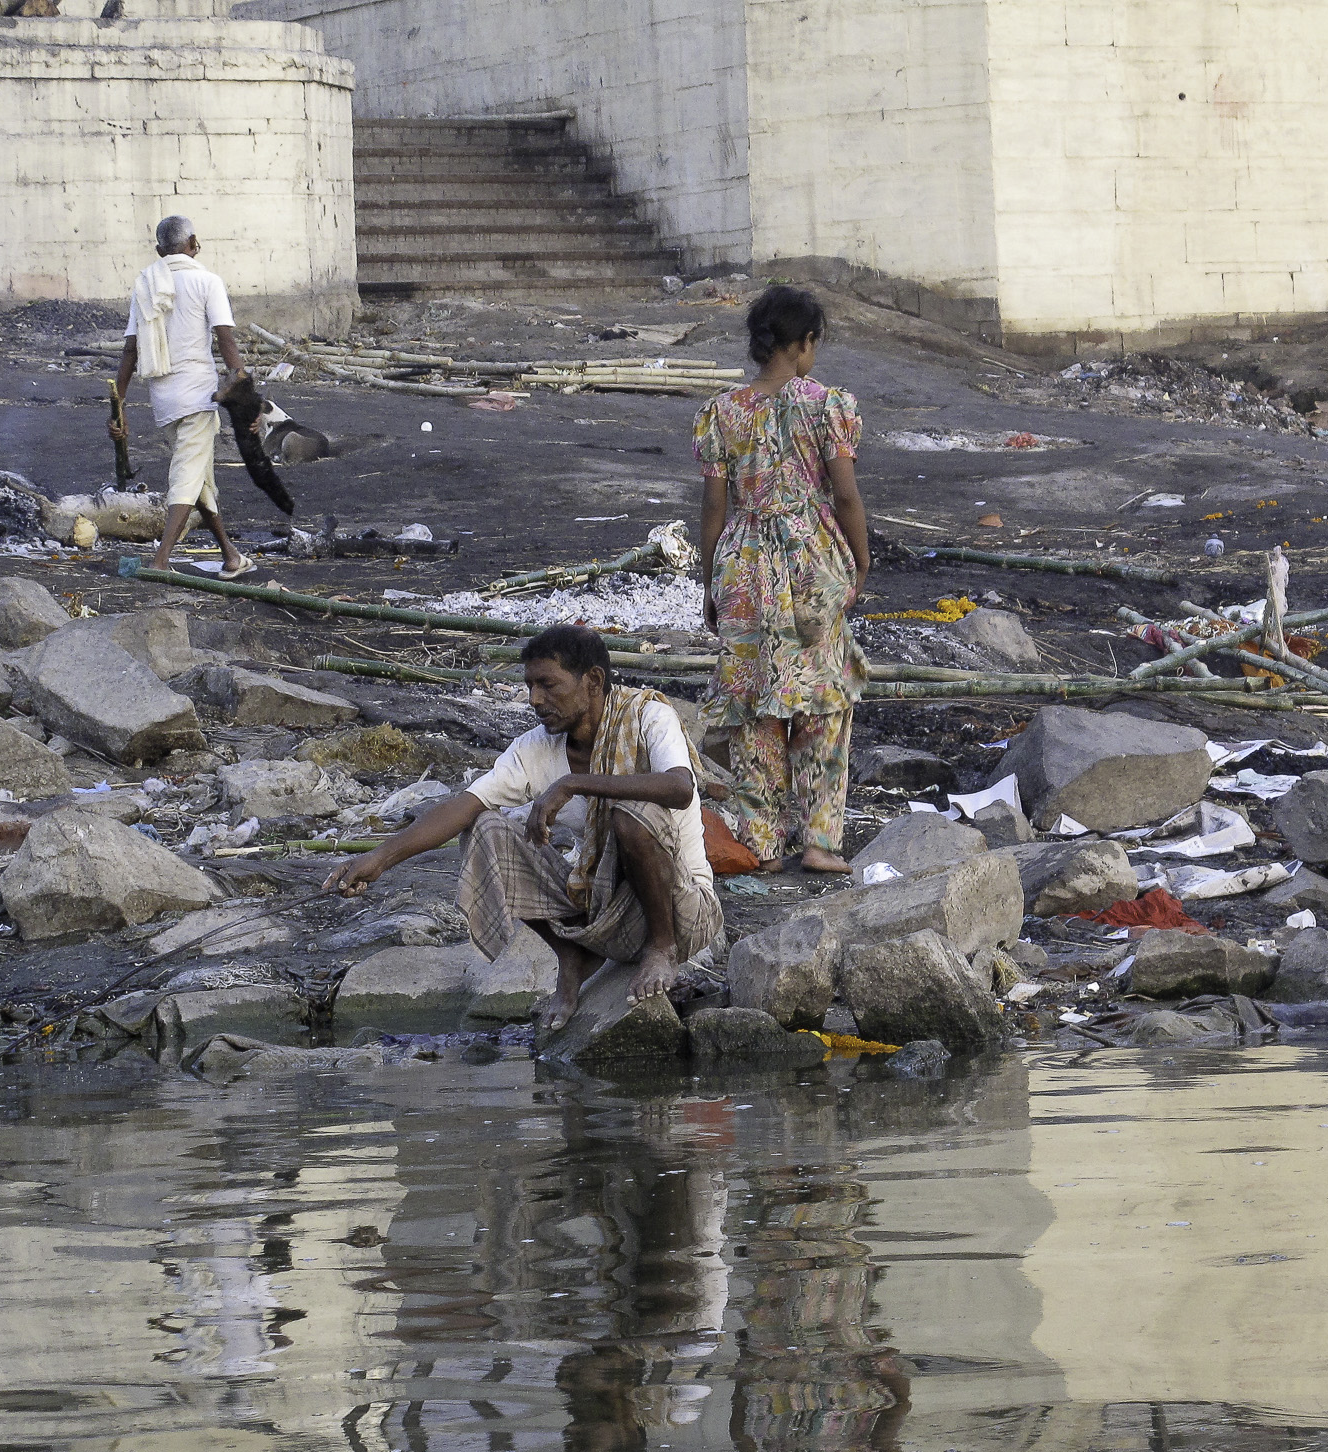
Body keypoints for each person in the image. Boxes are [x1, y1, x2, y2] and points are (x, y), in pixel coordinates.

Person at [324, 624, 723, 1026]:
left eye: (548, 685)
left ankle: (661, 949)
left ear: (593, 681)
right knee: (486, 827)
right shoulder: (536, 747)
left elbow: (678, 788)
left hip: (682, 911)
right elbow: (465, 804)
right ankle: (571, 957)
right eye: (530, 685)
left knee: (634, 812)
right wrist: (378, 859)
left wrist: (571, 784)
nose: (534, 699)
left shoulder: (649, 715)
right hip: (602, 917)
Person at [695, 284, 871, 874]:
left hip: (744, 563)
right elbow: (845, 494)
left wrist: (709, 579)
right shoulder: (827, 406)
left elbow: (713, 506)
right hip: (811, 559)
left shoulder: (723, 412)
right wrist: (861, 559)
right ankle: (819, 841)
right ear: (804, 343)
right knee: (825, 697)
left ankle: (764, 845)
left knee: (754, 704)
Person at [111, 215, 257, 577]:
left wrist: (119, 404)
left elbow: (130, 350)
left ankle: (231, 556)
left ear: (159, 250)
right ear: (193, 243)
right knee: (185, 479)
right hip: (198, 397)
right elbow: (226, 341)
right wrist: (245, 393)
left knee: (200, 481)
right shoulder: (207, 281)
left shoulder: (146, 284)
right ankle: (161, 561)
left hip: (164, 400)